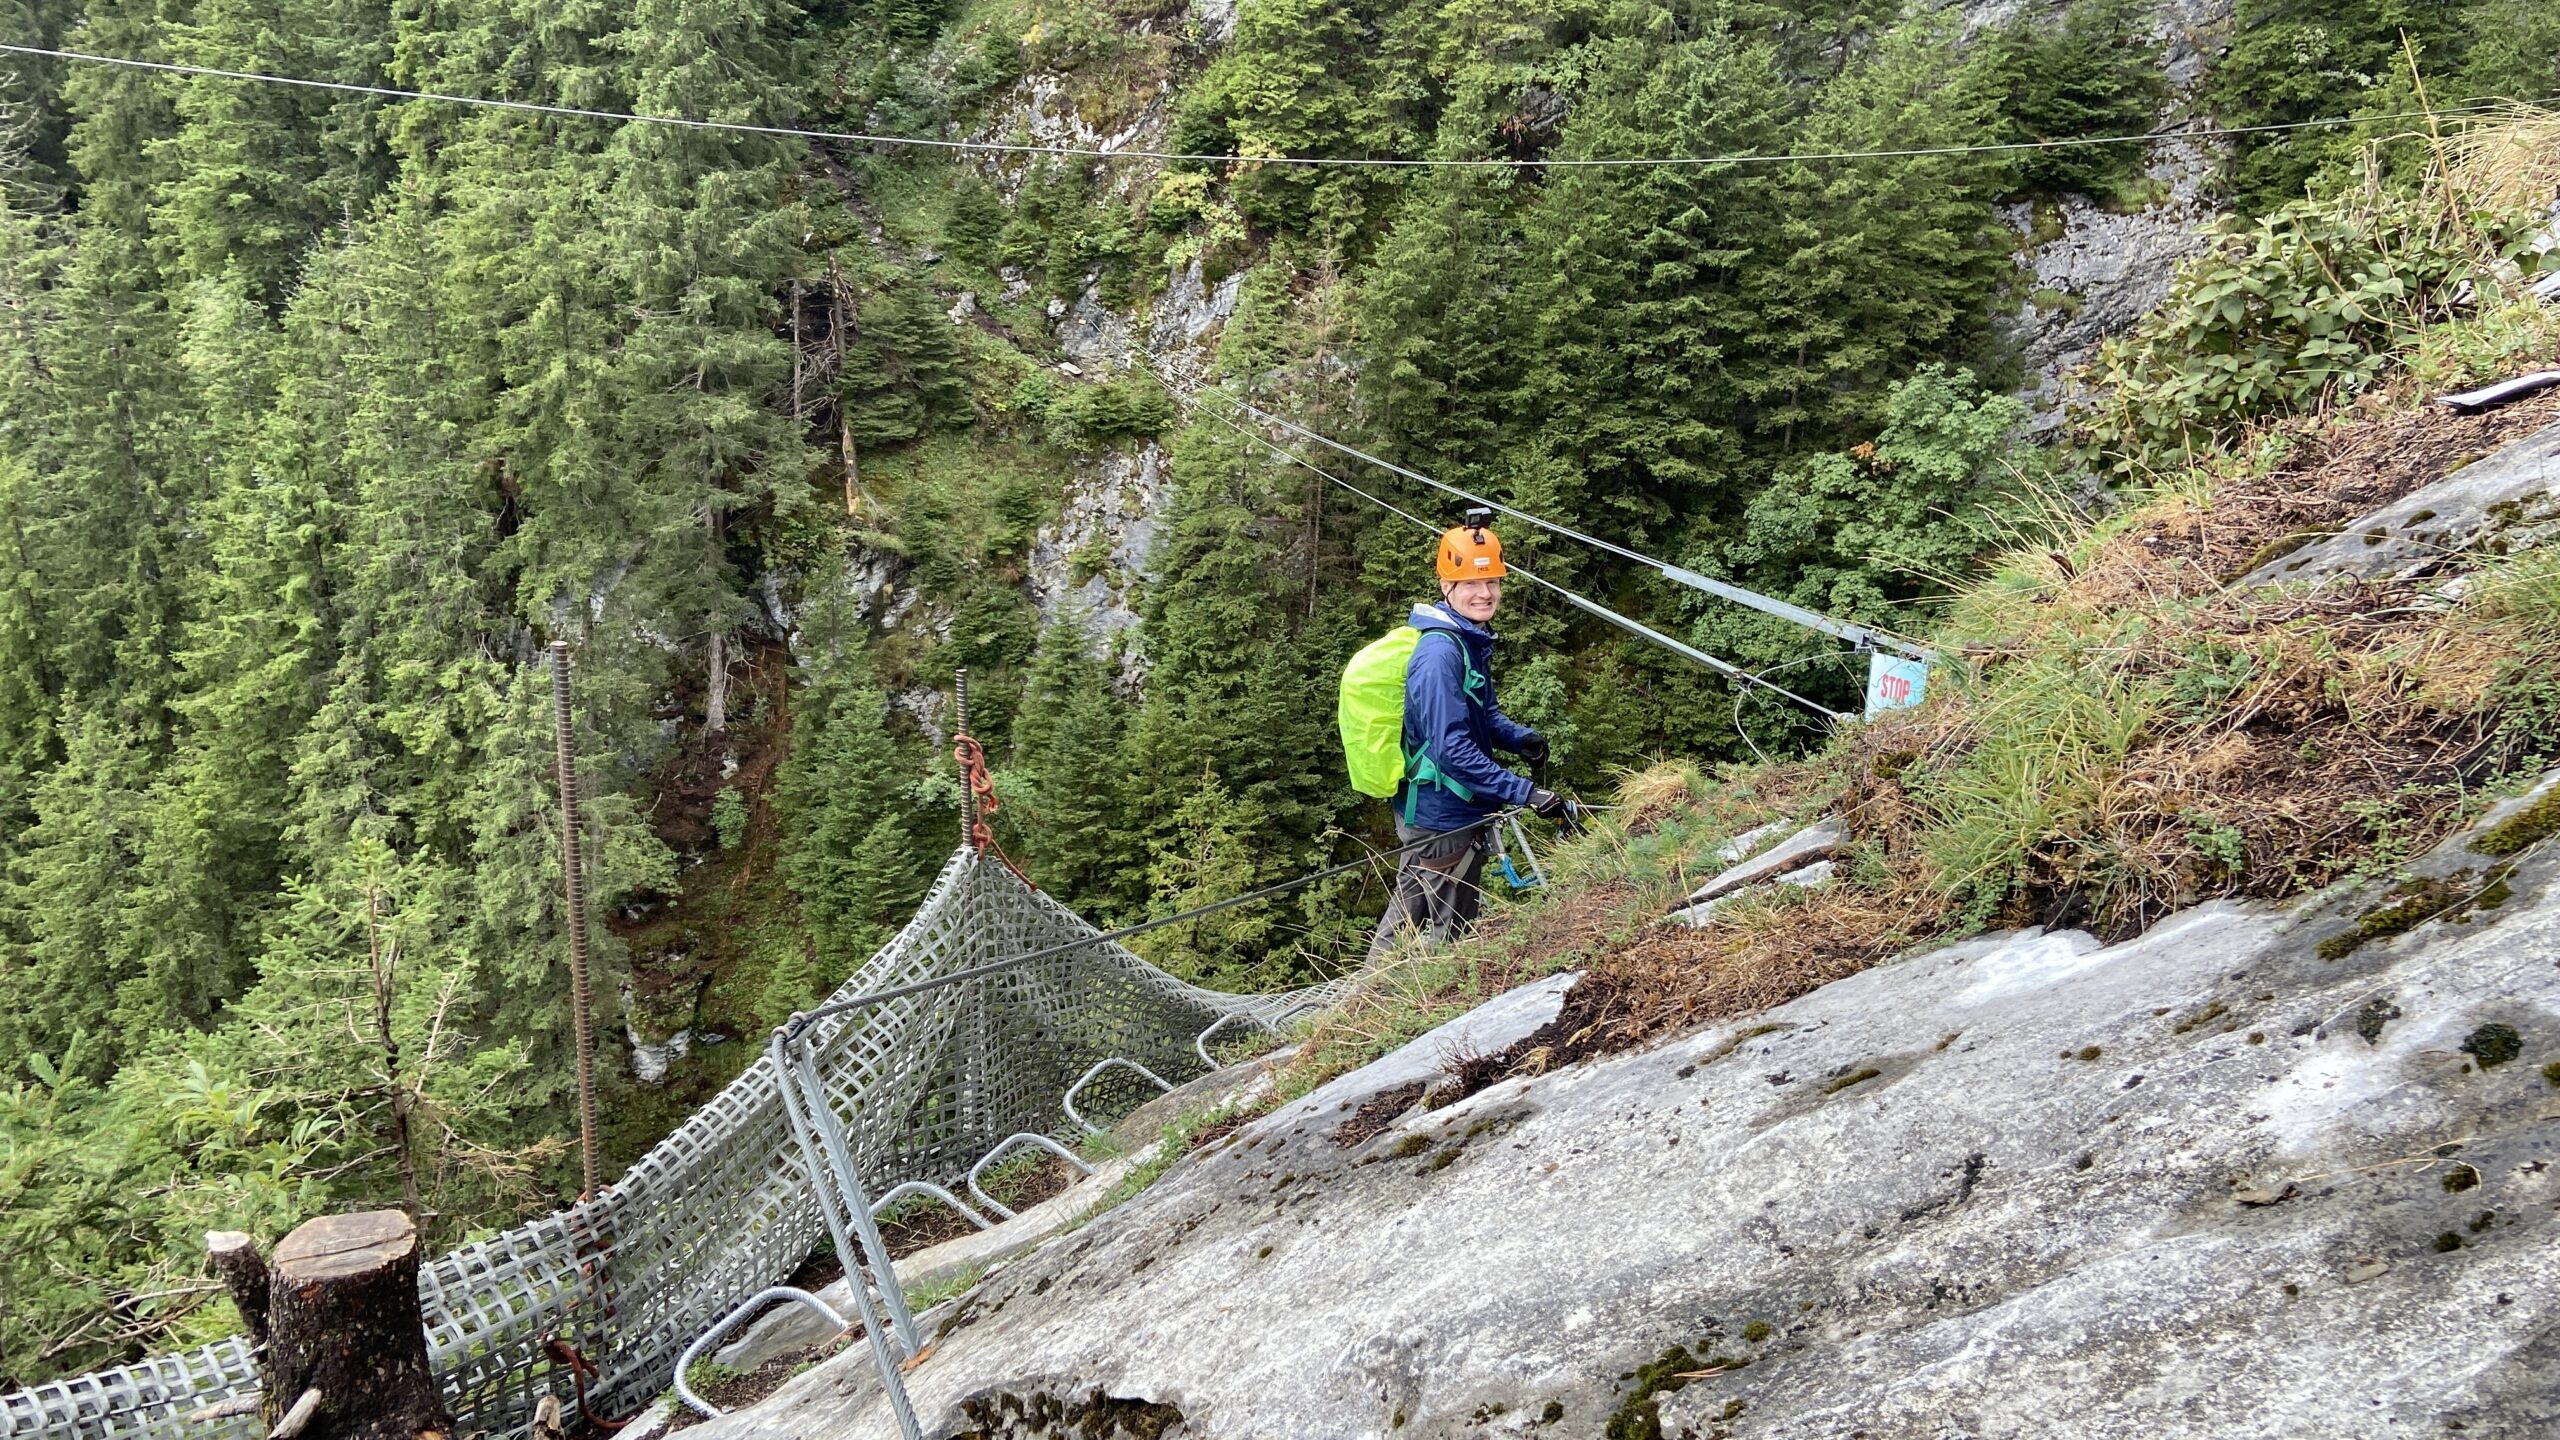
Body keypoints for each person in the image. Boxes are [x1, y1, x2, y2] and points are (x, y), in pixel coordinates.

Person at [1367, 514, 1571, 960]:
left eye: (1492, 582)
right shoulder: (1440, 653)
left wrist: (1520, 739)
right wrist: (1525, 792)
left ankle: (1373, 1000)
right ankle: (1376, 1004)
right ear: (1447, 587)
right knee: (1435, 926)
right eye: (1471, 584)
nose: (1485, 593)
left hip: (1453, 808)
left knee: (1422, 915)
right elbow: (1450, 747)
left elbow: (1483, 715)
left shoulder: (1467, 640)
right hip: (1441, 814)